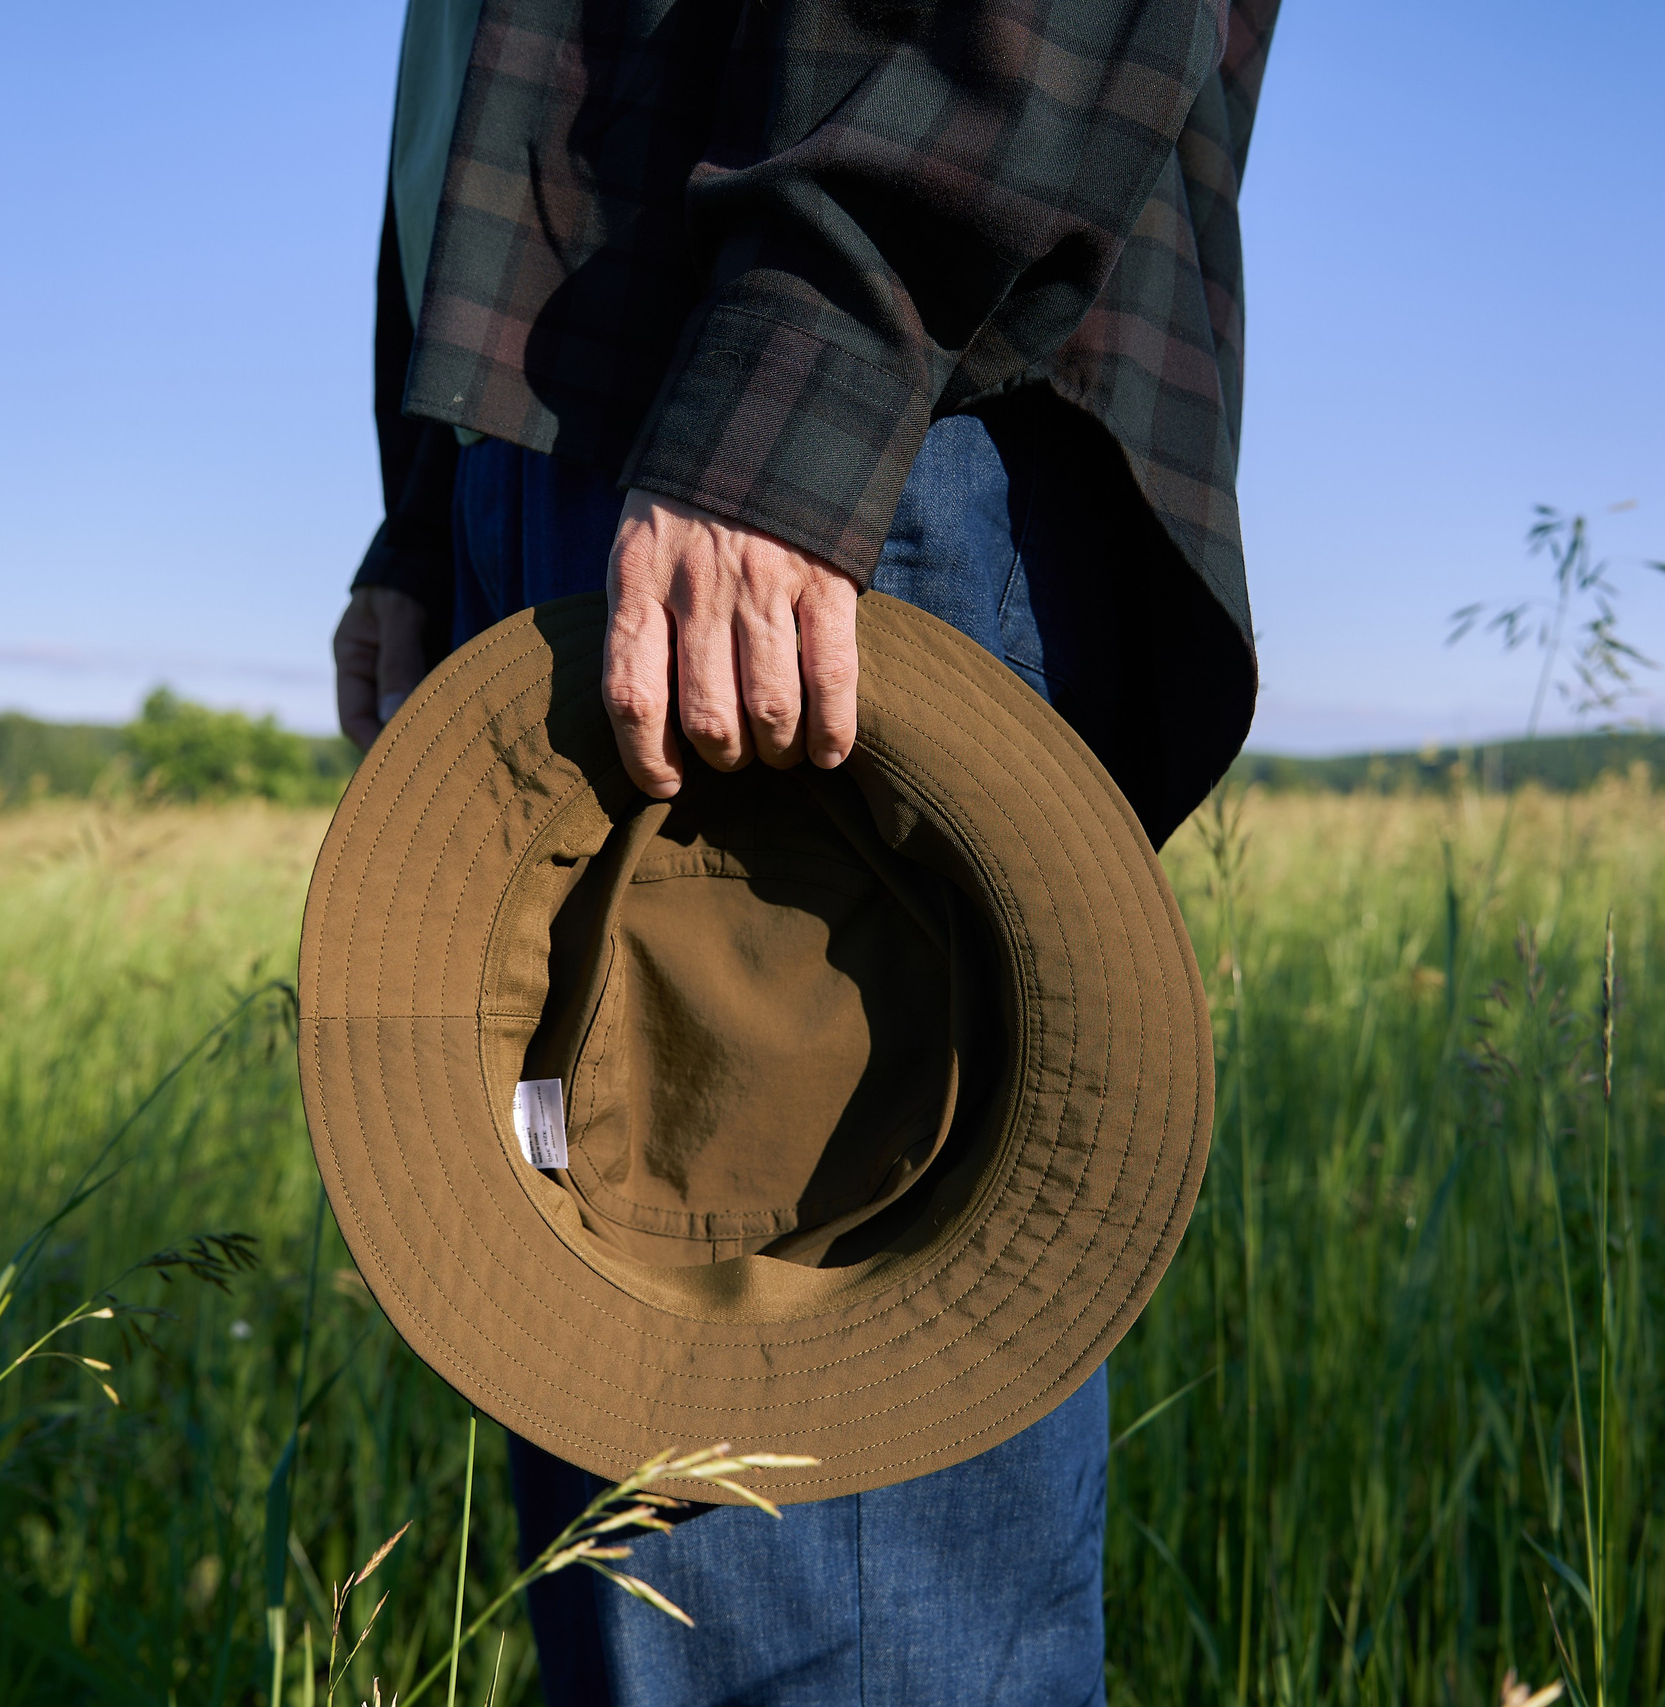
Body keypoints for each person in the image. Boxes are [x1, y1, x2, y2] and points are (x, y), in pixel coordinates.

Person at [330, 2, 1278, 1699]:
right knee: (642, 1538)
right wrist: (429, 498)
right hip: (580, 439)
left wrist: (817, 356)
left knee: (816, 1602)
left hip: (832, 431)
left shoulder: (819, 372)